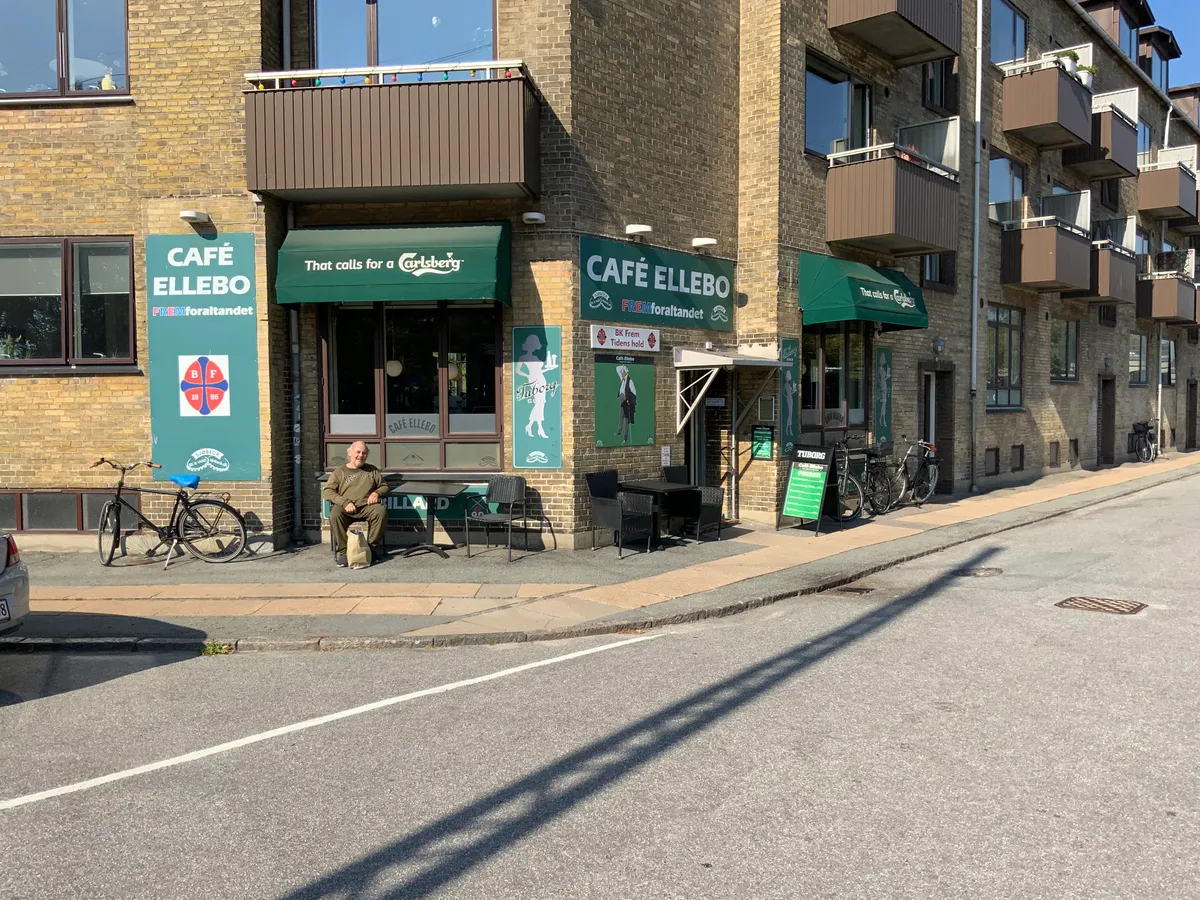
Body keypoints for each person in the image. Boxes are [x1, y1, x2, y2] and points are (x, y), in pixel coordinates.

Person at [322, 441, 389, 567]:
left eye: (364, 453)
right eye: (358, 452)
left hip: (367, 507)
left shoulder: (372, 470)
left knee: (380, 512)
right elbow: (328, 492)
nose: (360, 455)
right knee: (335, 515)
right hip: (345, 507)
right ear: (350, 453)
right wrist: (344, 502)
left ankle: (371, 549)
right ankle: (343, 552)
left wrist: (376, 493)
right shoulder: (339, 472)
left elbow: (384, 486)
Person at [616, 364, 637, 445]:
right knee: (621, 416)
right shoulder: (622, 379)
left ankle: (625, 438)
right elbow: (617, 368)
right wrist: (622, 366)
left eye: (622, 371)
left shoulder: (630, 381)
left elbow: (634, 393)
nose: (621, 373)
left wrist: (630, 402)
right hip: (621, 399)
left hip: (626, 400)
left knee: (626, 419)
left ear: (625, 372)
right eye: (621, 372)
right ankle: (619, 431)